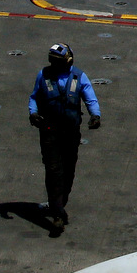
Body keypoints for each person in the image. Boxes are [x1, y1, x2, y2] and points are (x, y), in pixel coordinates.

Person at [28, 43, 101, 230]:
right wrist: (33, 113)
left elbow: (90, 98)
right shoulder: (43, 76)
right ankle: (57, 213)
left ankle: (60, 204)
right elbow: (34, 97)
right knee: (54, 172)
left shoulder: (78, 76)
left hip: (70, 132)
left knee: (68, 171)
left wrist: (95, 115)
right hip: (49, 130)